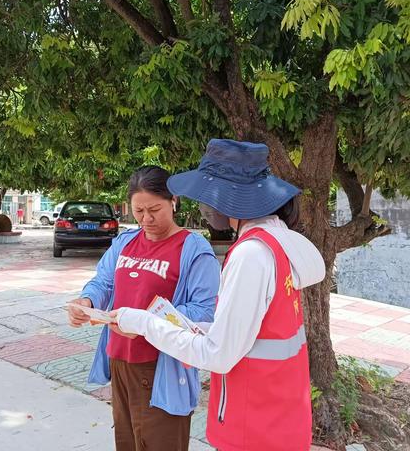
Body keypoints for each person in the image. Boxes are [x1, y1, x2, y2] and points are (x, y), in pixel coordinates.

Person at [112, 140, 326, 451]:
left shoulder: (250, 255)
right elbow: (255, 332)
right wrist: (195, 326)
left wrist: (143, 321)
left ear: (229, 198)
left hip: (252, 425)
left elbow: (218, 355)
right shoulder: (278, 244)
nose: (204, 207)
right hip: (281, 416)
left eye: (206, 196)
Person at [67, 165, 220, 451]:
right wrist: (86, 302)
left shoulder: (194, 250)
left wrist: (145, 323)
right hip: (120, 360)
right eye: (138, 211)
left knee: (161, 443)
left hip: (162, 365)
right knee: (127, 442)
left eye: (155, 209)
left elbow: (203, 311)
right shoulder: (125, 242)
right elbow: (103, 282)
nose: (146, 219)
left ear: (174, 201)